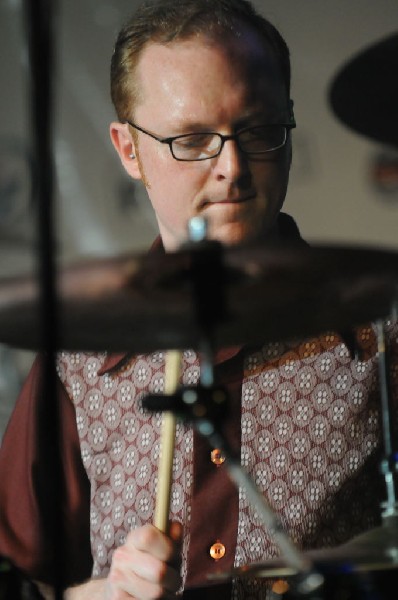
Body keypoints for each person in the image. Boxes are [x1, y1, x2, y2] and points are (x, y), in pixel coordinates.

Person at [0, 1, 397, 599]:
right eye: (191, 139)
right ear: (129, 150)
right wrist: (102, 594)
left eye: (259, 131)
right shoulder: (76, 355)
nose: (232, 168)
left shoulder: (381, 330)